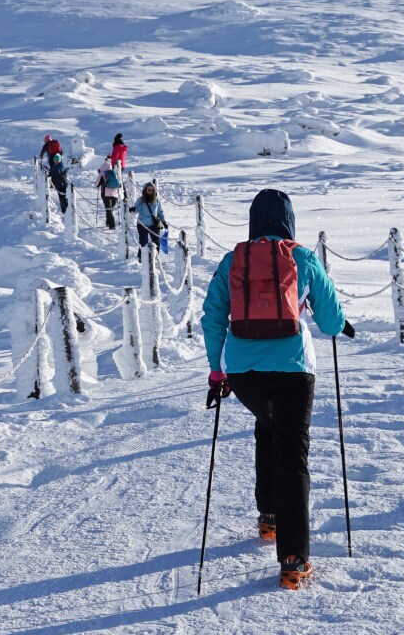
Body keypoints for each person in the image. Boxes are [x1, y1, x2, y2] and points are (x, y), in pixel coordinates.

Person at [200, 188, 352, 592]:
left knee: (267, 426)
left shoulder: (233, 260)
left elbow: (213, 316)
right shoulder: (303, 258)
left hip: (244, 372)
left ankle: (269, 516)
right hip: (293, 369)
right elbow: (331, 321)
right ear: (289, 221)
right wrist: (339, 324)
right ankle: (293, 559)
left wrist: (217, 371)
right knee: (292, 454)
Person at [40, 134, 69, 213]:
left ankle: (51, 183)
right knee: (64, 194)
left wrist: (41, 157)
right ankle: (67, 208)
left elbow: (42, 152)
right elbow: (61, 151)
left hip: (52, 161)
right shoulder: (55, 143)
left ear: (45, 141)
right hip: (58, 158)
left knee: (53, 172)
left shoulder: (47, 145)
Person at [136, 183, 168, 252]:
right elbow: (136, 209)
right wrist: (133, 209)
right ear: (145, 190)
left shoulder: (157, 201)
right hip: (142, 224)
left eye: (152, 190)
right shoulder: (140, 200)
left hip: (154, 224)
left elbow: (160, 212)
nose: (150, 192)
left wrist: (163, 222)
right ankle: (141, 257)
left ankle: (155, 256)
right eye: (149, 190)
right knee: (143, 242)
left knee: (156, 242)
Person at [96, 155, 123, 229]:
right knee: (109, 209)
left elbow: (96, 184)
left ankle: (112, 225)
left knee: (108, 209)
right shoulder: (114, 172)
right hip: (115, 194)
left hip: (105, 194)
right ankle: (108, 222)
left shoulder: (102, 173)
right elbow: (120, 183)